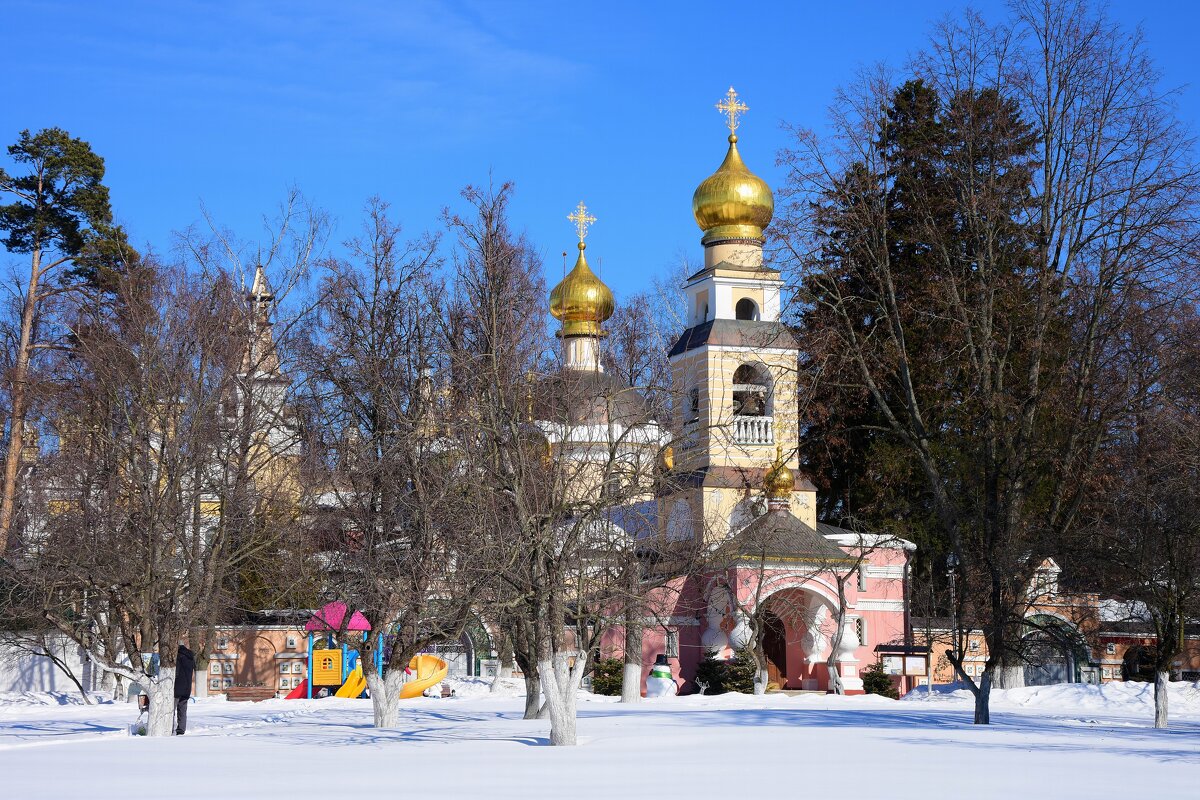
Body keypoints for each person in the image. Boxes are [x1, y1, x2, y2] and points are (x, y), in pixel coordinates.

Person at [174, 640, 195, 735]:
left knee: (170, 710)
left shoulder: (177, 656)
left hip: (176, 687)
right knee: (182, 710)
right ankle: (181, 730)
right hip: (187, 688)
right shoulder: (190, 657)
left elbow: (176, 672)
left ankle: (168, 728)